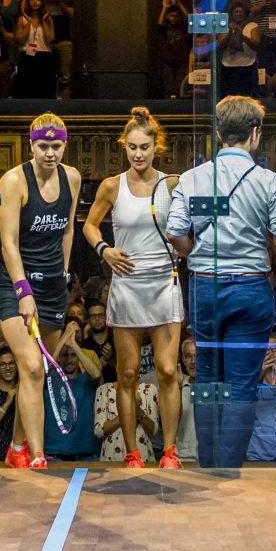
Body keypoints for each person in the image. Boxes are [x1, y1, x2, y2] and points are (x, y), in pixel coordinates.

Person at [166, 95, 276, 470]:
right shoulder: (267, 181)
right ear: (255, 135)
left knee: (208, 379)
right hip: (250, 287)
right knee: (243, 385)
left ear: (217, 133)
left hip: (205, 287)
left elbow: (174, 231)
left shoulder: (193, 177)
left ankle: (208, 464)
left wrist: (192, 248)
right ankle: (227, 469)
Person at [81, 108, 185, 468]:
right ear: (124, 147)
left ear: (157, 146)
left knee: (168, 370)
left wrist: (184, 249)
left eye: (144, 147)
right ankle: (133, 453)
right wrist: (104, 250)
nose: (138, 154)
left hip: (164, 284)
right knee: (126, 374)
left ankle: (170, 451)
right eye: (132, 147)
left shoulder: (173, 184)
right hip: (126, 285)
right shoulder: (113, 185)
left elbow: (188, 230)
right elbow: (89, 226)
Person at [0, 117, 80, 469]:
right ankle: (38, 456)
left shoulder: (71, 177)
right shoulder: (13, 181)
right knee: (29, 366)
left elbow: (68, 229)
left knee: (37, 370)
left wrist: (65, 272)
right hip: (15, 286)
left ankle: (16, 447)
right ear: (31, 145)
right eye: (43, 146)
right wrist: (22, 289)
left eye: (56, 146)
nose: (50, 153)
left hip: (53, 287)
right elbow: (8, 244)